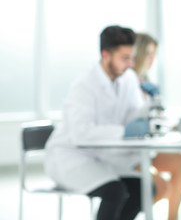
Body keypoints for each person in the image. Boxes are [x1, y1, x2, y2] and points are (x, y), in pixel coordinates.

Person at [44, 25, 169, 220]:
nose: (130, 64)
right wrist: (123, 132)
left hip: (101, 157)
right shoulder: (84, 85)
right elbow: (81, 133)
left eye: (132, 58)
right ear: (106, 55)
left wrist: (151, 105)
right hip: (70, 158)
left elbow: (133, 115)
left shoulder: (127, 79)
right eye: (124, 58)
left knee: (144, 188)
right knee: (115, 192)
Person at [132, 32, 181, 220]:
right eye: (148, 53)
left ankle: (173, 218)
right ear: (138, 53)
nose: (151, 59)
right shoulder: (127, 82)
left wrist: (168, 124)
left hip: (146, 153)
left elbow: (156, 117)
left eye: (154, 54)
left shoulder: (147, 84)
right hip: (129, 156)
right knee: (163, 187)